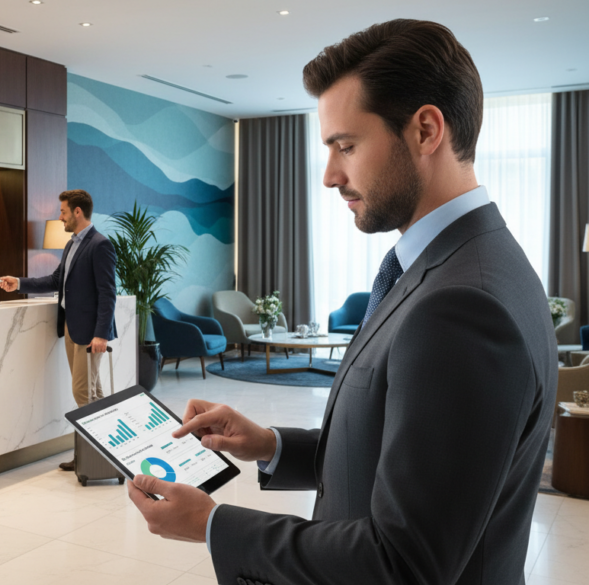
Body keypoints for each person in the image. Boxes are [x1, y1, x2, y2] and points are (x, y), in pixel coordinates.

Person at [127, 19, 555, 585]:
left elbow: (402, 563)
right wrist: (270, 444)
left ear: (426, 130)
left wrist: (213, 525)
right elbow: (402, 445)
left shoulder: (460, 306)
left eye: (346, 146)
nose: (330, 176)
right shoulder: (476, 259)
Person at [0, 190, 117, 472]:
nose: (60, 216)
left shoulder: (100, 244)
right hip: (72, 328)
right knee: (93, 393)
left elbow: (107, 293)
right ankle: (101, 453)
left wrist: (101, 334)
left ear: (77, 212)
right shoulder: (71, 244)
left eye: (63, 211)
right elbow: (56, 280)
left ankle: (93, 458)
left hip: (90, 334)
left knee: (82, 393)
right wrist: (19, 283)